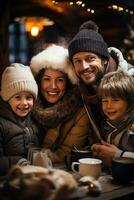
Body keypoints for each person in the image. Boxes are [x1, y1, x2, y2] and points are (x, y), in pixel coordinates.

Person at [68, 20, 134, 160]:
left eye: (90, 58)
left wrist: (120, 156)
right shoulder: (83, 90)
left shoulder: (132, 83)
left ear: (104, 60)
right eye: (77, 60)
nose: (84, 66)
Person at [30, 44, 90, 163]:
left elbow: (65, 153)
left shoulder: (80, 112)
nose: (53, 86)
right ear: (39, 81)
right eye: (47, 79)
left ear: (68, 83)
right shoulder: (27, 105)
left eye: (60, 80)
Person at [0, 63, 39, 176]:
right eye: (17, 97)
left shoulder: (34, 120)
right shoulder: (2, 124)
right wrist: (16, 163)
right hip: (9, 177)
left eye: (29, 97)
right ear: (7, 98)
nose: (24, 103)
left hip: (31, 174)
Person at [92, 71, 134, 166]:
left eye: (115, 100)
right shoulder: (107, 125)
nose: (109, 106)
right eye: (105, 101)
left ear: (130, 101)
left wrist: (119, 155)